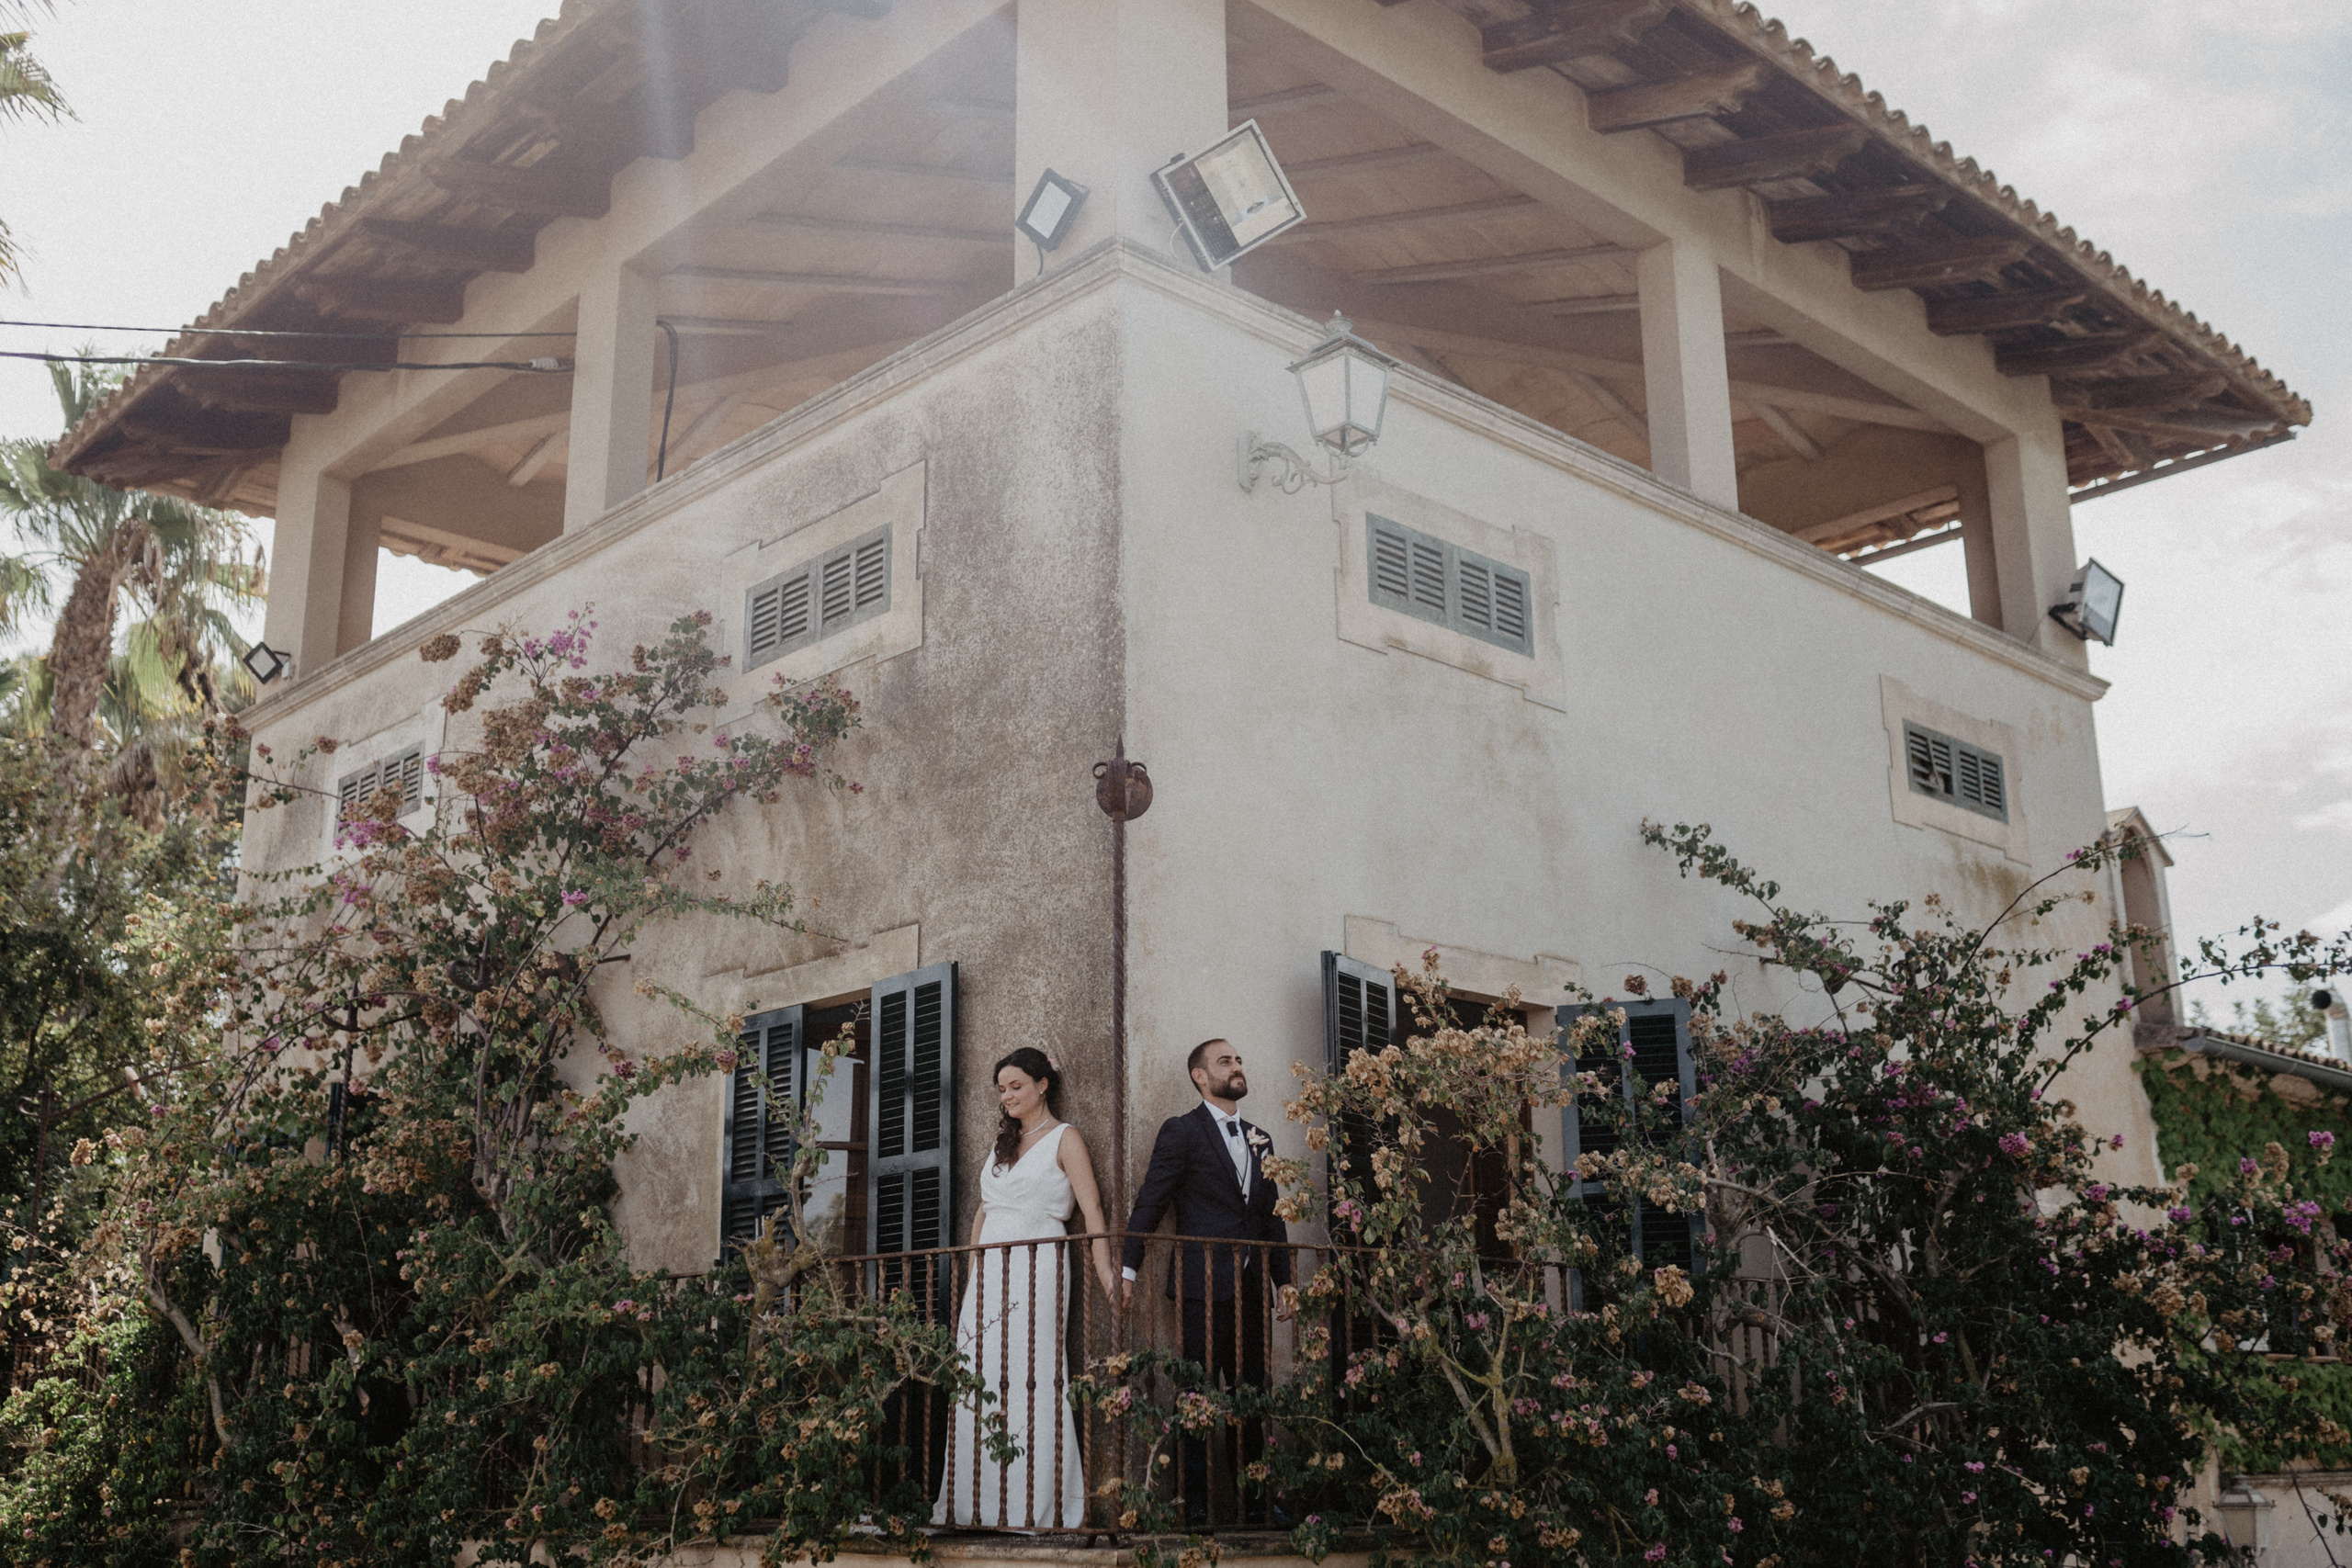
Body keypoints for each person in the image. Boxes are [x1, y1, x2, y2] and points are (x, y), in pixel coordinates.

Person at [935, 1047, 1117, 1529]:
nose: (1007, 1096)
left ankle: (1035, 1505)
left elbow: (1092, 1209)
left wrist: (1105, 1271)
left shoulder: (1065, 1137)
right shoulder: (1003, 1144)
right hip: (989, 1272)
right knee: (980, 1374)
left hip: (1038, 1265)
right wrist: (974, 1270)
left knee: (1031, 1375)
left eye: (1016, 1085)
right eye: (1001, 1089)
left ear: (1043, 1084)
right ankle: (976, 1503)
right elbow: (984, 1208)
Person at [1120, 1038, 1292, 1527]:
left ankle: (1258, 1502)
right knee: (1196, 1394)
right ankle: (1194, 1504)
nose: (1237, 1066)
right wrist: (1128, 1268)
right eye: (1225, 1061)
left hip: (1253, 1288)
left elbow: (1272, 1216)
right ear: (1199, 1075)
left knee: (1252, 1394)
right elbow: (1151, 1201)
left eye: (1239, 1059)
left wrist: (1284, 1282)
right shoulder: (1182, 1132)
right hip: (1200, 1286)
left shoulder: (1261, 1137)